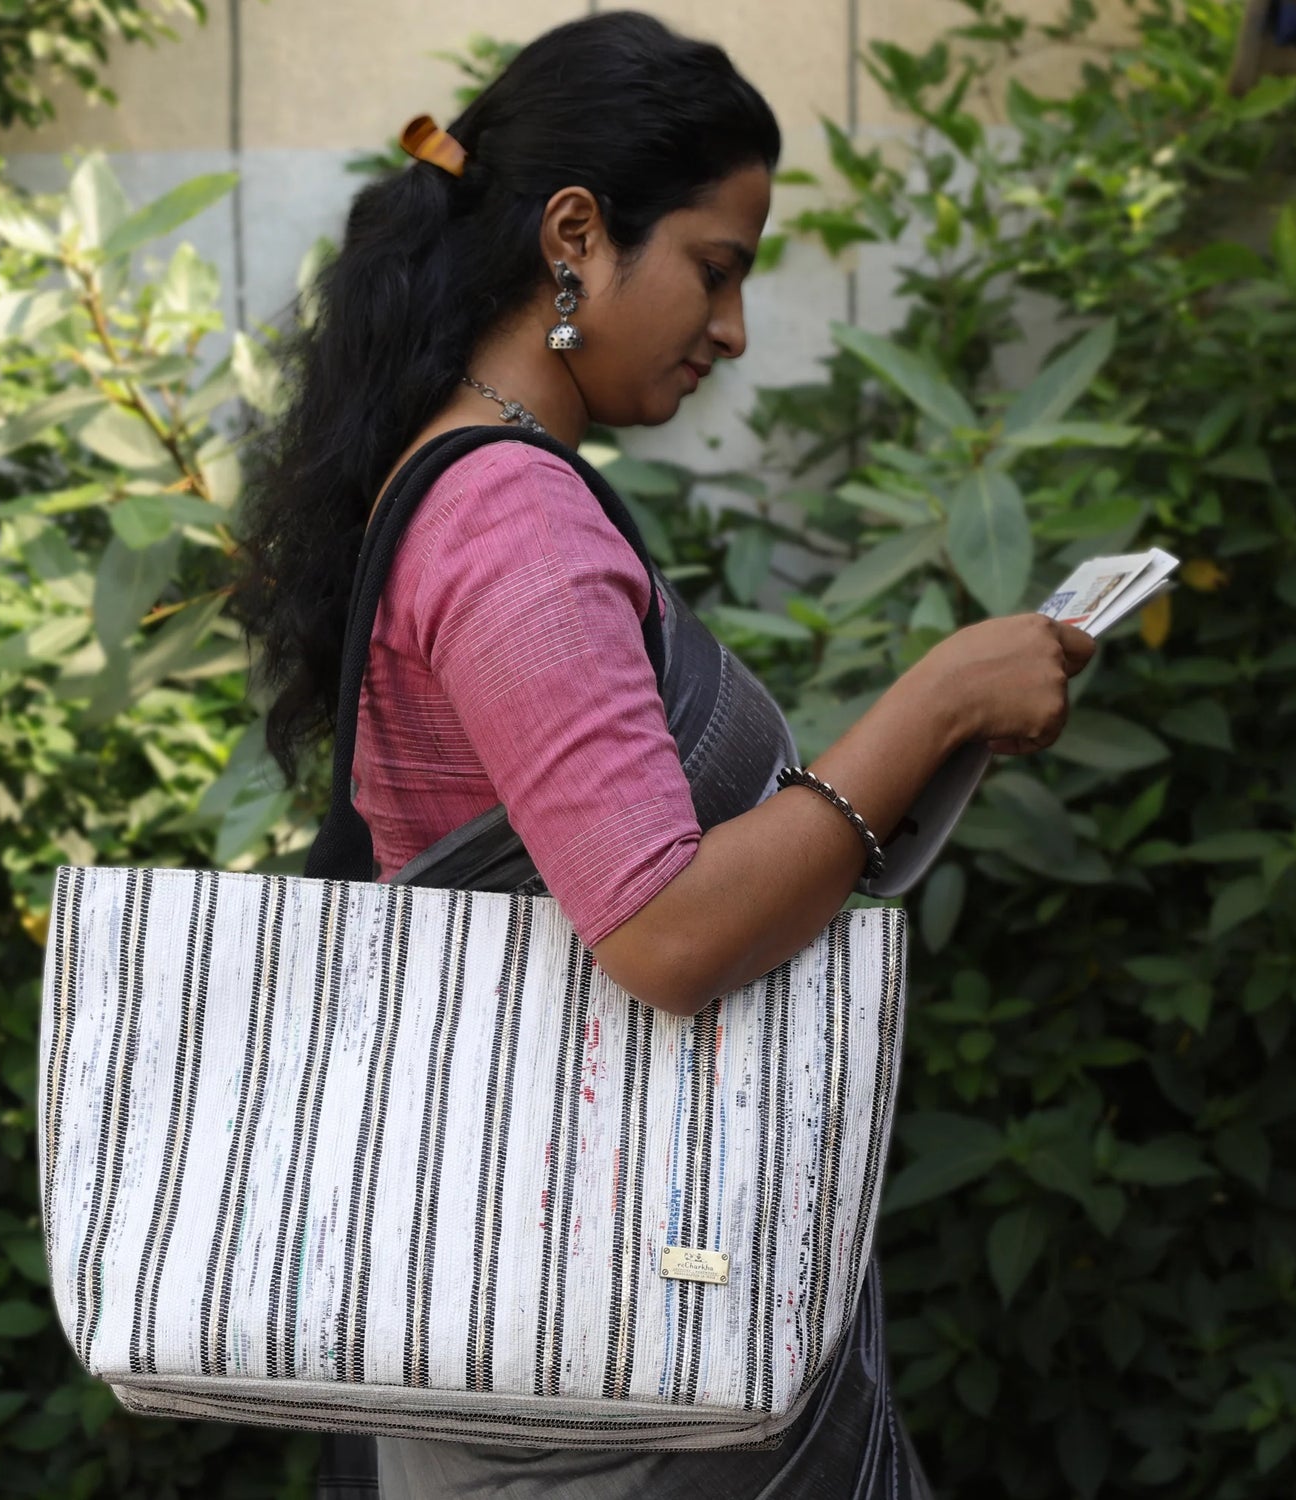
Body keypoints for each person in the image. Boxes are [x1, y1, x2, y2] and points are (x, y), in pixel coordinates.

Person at [239, 11, 1095, 1498]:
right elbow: (662, 930)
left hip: (536, 1293)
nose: (734, 328)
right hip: (580, 1355)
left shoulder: (470, 482)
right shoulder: (511, 520)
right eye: (717, 264)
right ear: (577, 235)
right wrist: (936, 705)